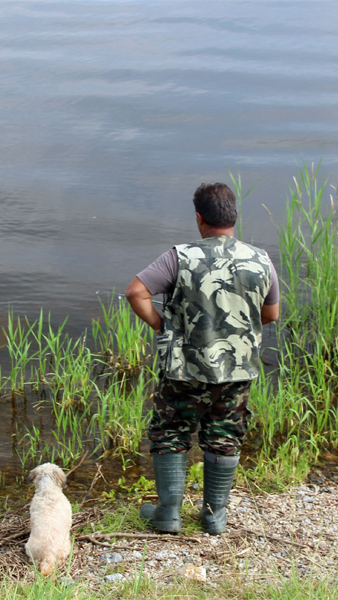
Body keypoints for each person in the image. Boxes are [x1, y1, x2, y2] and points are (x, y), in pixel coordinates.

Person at [125, 182, 279, 535]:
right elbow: (270, 314)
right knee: (224, 435)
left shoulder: (179, 256)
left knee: (170, 431)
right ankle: (214, 516)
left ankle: (168, 514)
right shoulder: (261, 259)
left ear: (199, 218)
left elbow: (136, 292)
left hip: (184, 367)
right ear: (233, 217)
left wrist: (164, 325)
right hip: (237, 370)